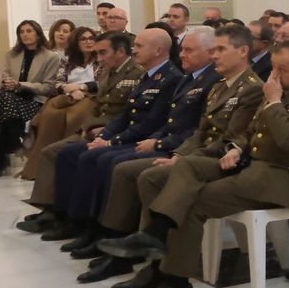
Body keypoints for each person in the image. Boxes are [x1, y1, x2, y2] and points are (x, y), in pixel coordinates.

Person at [98, 42, 289, 288]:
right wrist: (236, 148)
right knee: (173, 170)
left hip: (282, 180)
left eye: (282, 70)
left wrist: (274, 103)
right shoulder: (277, 92)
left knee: (191, 203)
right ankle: (155, 252)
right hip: (251, 167)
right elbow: (251, 132)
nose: (274, 76)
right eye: (273, 69)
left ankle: (176, 283)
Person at [91, 26, 265, 288]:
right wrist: (180, 153)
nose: (214, 55)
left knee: (160, 177)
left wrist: (183, 158)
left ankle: (158, 256)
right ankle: (151, 257)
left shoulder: (252, 88)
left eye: (220, 49)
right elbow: (200, 132)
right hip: (202, 156)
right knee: (150, 178)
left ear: (242, 52)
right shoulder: (220, 86)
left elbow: (230, 139)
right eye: (213, 49)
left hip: (227, 160)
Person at [54, 29, 215, 258]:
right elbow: (139, 116)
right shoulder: (183, 78)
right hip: (158, 140)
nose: (182, 54)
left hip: (174, 147)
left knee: (110, 162)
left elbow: (190, 127)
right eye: (183, 49)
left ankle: (112, 235)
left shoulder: (181, 78)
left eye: (189, 50)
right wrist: (107, 136)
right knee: (76, 153)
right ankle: (83, 224)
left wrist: (155, 143)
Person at [23, 28, 177, 240]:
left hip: (137, 137)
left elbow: (151, 122)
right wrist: (99, 133)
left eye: (139, 46)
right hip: (111, 130)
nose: (134, 50)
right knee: (64, 152)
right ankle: (66, 215)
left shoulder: (162, 77)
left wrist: (110, 139)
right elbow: (118, 111)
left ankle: (98, 227)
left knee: (96, 157)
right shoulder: (143, 75)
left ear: (158, 50)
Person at [0, 21, 64, 177]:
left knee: (2, 111)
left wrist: (21, 85)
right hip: (11, 98)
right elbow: (3, 78)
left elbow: (49, 87)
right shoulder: (11, 55)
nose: (25, 34)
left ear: (38, 34)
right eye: (21, 32)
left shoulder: (50, 57)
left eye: (29, 31)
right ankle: (16, 143)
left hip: (35, 99)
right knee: (6, 98)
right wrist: (6, 83)